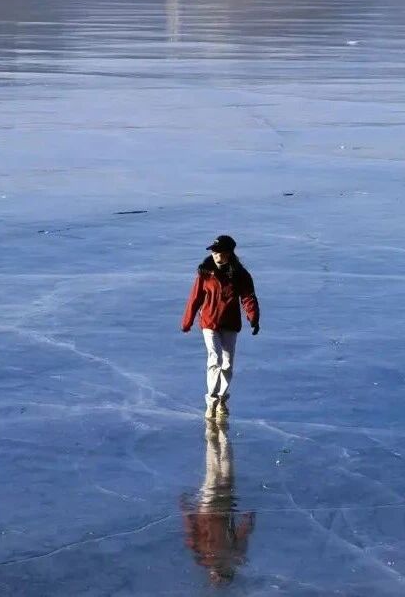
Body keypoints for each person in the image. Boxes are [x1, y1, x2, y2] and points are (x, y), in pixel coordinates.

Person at [181, 235, 260, 420]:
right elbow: (195, 298)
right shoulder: (205, 273)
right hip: (209, 323)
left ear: (229, 253)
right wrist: (187, 321)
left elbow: (248, 297)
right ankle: (211, 401)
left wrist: (253, 318)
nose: (216, 255)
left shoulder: (241, 275)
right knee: (214, 358)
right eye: (214, 251)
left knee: (227, 364)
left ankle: (222, 399)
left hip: (230, 323)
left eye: (219, 252)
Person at [181, 424, 256, 585]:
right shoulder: (234, 556)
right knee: (224, 469)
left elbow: (191, 534)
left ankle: (213, 431)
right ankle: (220, 430)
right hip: (225, 507)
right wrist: (248, 520)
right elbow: (242, 535)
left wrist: (186, 511)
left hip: (209, 508)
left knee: (214, 474)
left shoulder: (204, 557)